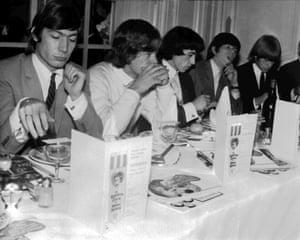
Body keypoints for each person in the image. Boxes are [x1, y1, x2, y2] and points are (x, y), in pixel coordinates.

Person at [0, 0, 103, 154]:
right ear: (35, 34)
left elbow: (96, 140)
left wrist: (77, 97)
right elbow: (3, 148)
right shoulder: (6, 71)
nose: (64, 48)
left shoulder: (80, 75)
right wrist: (21, 114)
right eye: (55, 37)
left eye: (72, 39)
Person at [89, 19, 169, 137]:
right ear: (128, 52)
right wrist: (135, 90)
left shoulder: (142, 78)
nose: (155, 61)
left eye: (155, 55)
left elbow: (165, 126)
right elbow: (104, 131)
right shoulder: (97, 76)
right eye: (148, 54)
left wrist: (164, 88)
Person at [156, 26, 210, 126]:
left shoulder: (185, 78)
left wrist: (200, 110)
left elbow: (188, 118)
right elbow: (163, 118)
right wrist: (194, 106)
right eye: (190, 55)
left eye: (195, 56)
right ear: (174, 49)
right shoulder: (154, 75)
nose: (193, 62)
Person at [189, 32, 243, 115]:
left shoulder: (228, 77)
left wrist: (234, 84)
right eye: (228, 47)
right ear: (214, 50)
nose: (232, 52)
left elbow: (236, 111)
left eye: (235, 50)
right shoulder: (196, 69)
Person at [237, 35, 281, 113]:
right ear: (256, 56)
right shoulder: (240, 72)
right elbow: (236, 105)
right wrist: (257, 101)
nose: (269, 65)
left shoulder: (275, 75)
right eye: (265, 60)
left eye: (272, 61)